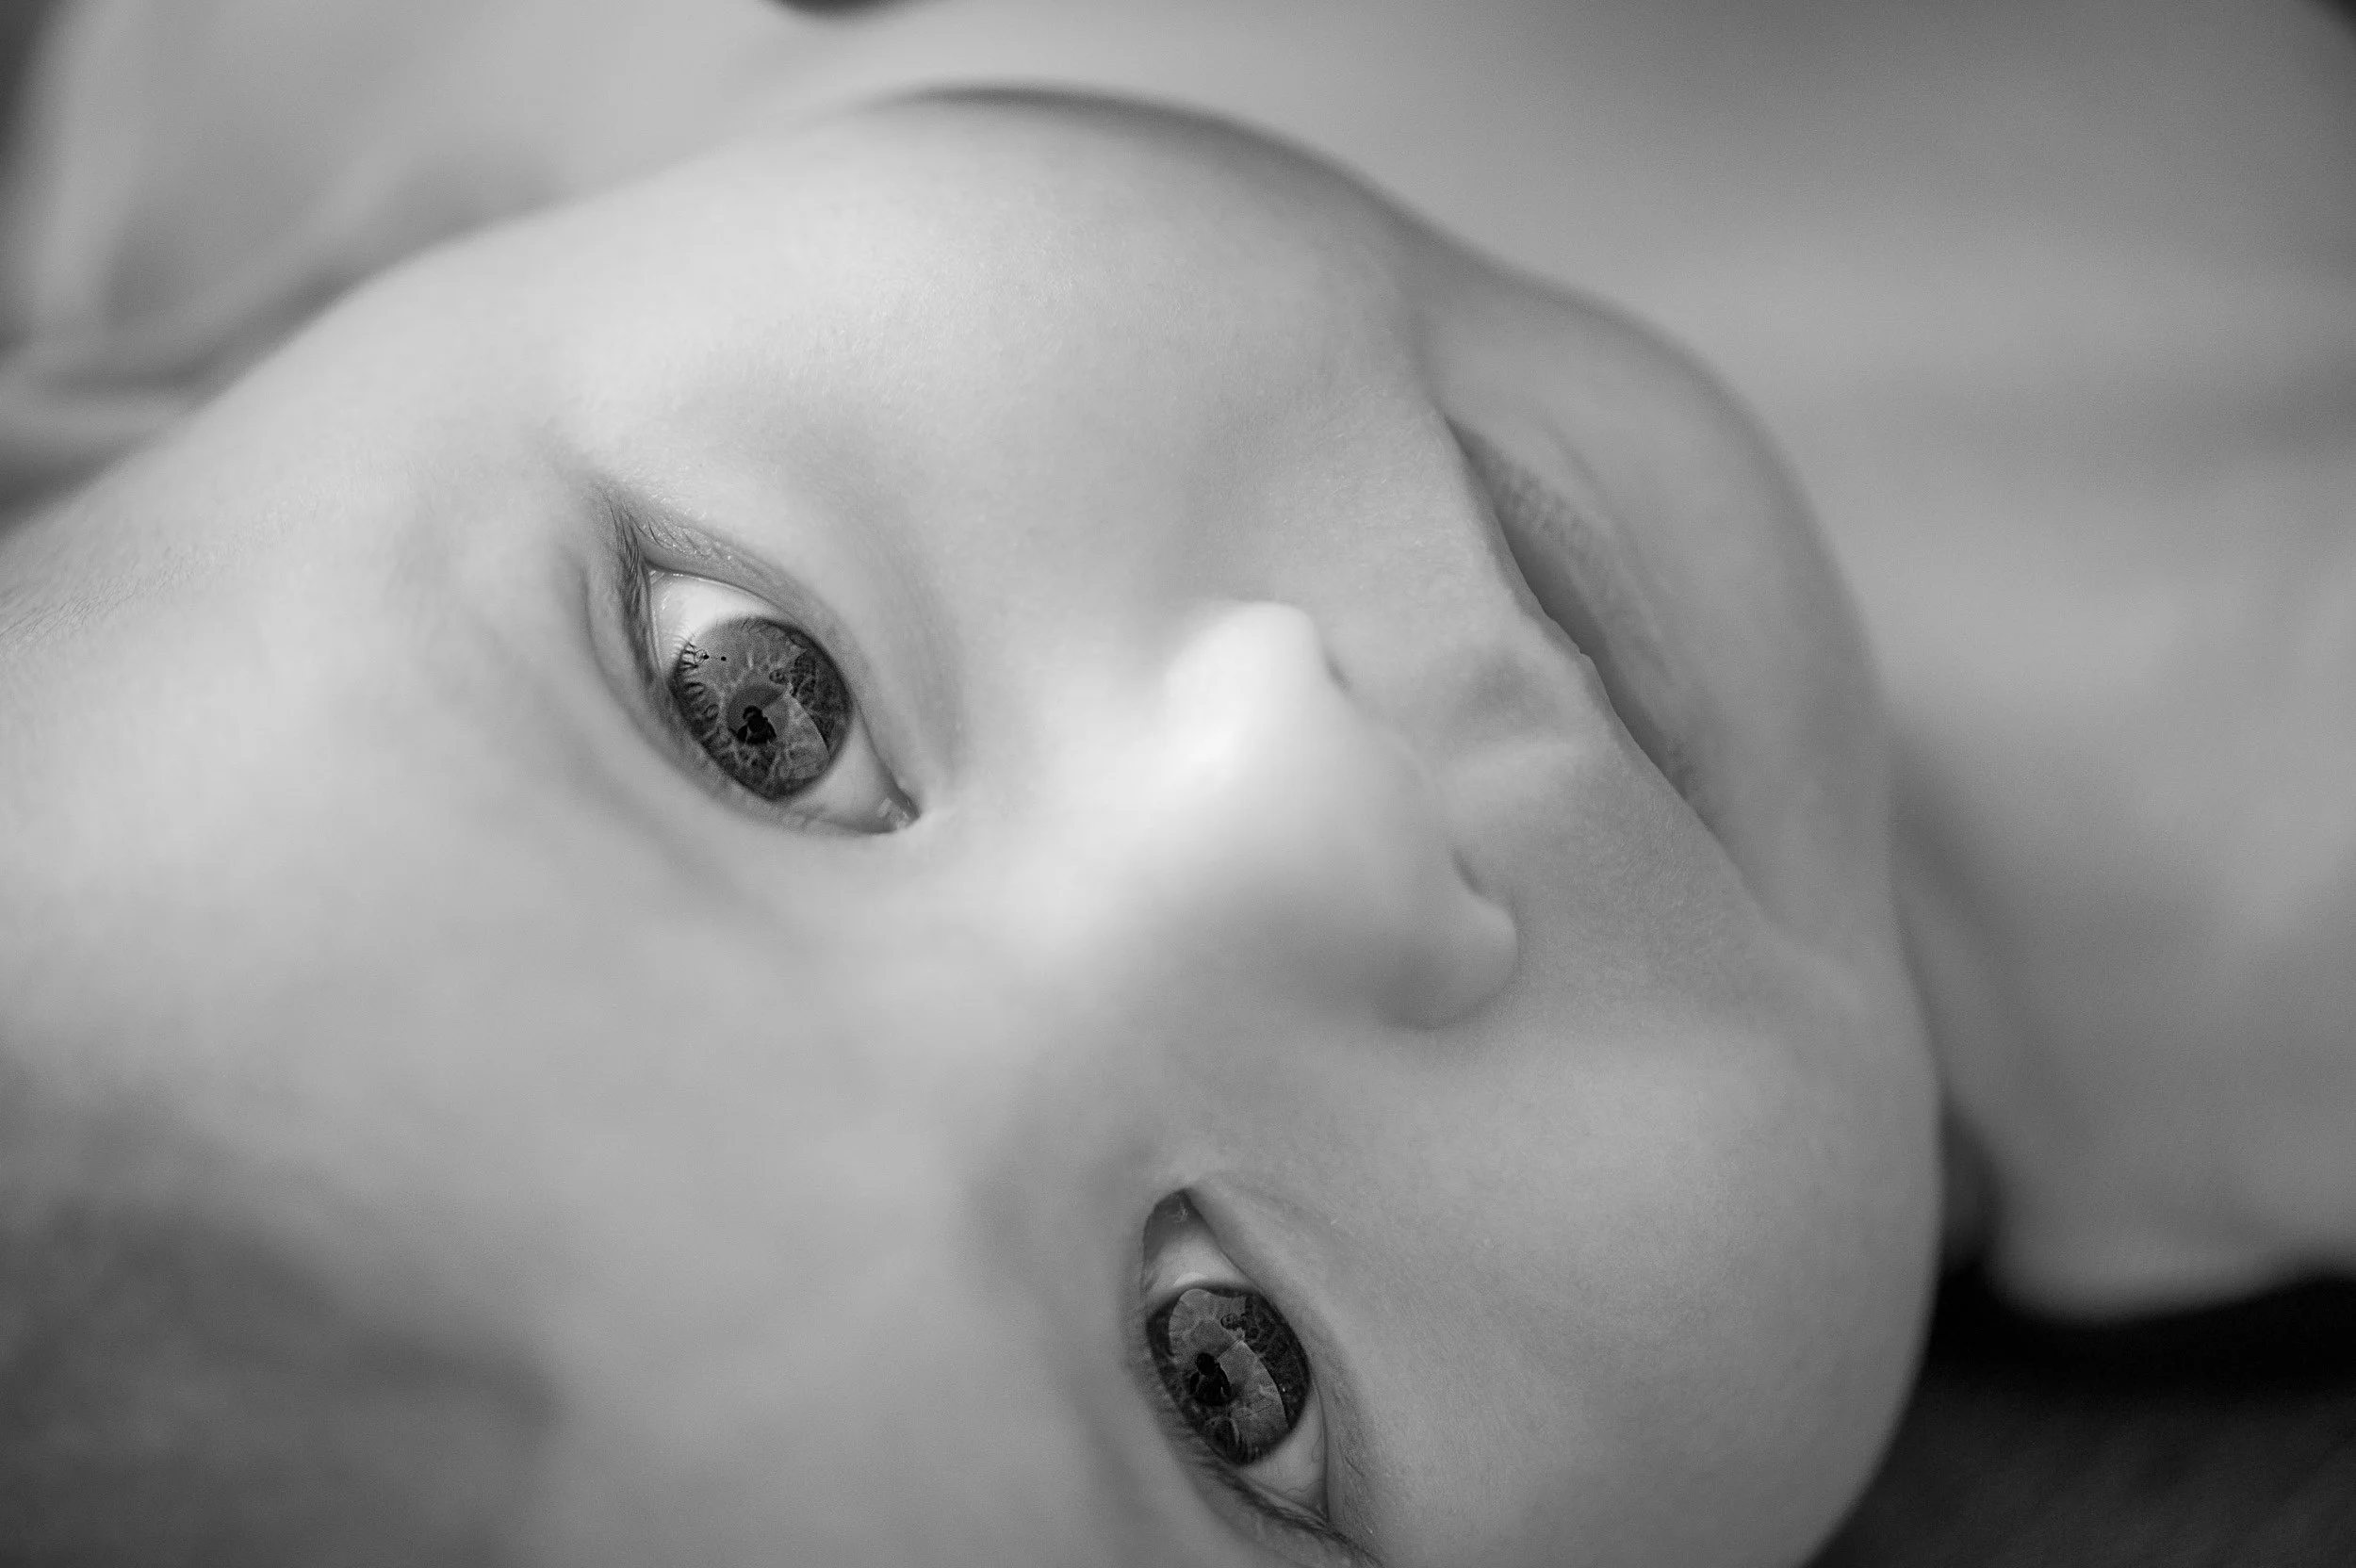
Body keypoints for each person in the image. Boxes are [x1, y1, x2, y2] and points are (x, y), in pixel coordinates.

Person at [0, 2, 2348, 1565]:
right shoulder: (2267, 957)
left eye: (755, 703)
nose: (1300, 811)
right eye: (1228, 1372)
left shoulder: (348, 94)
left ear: (166, 375)